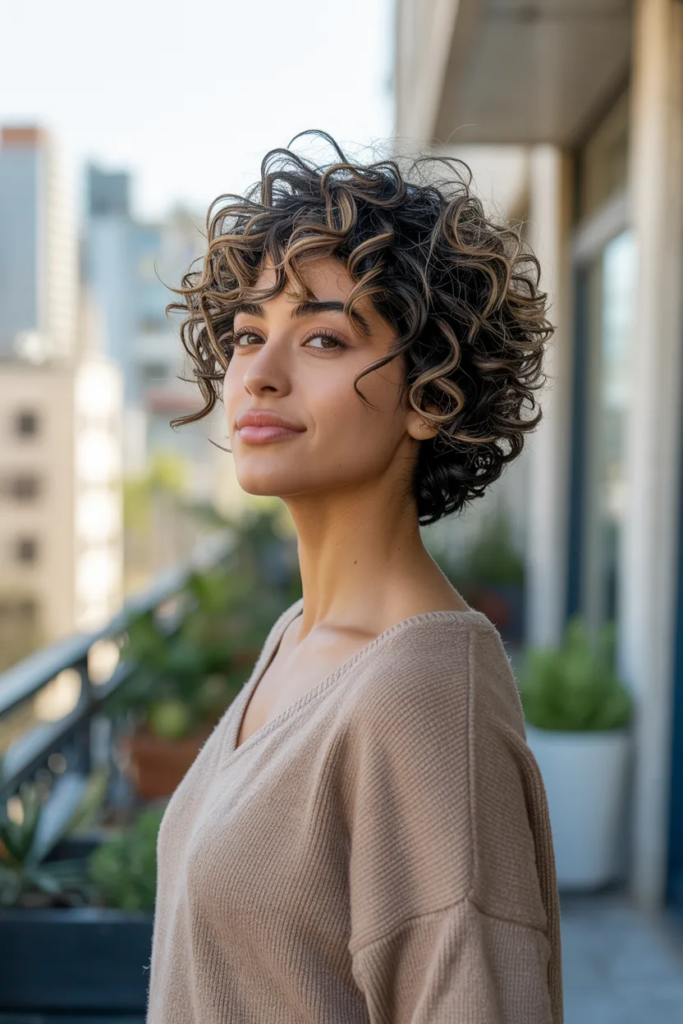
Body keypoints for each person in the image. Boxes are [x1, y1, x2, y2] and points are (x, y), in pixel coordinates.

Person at [145, 131, 563, 1023]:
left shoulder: (420, 693)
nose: (257, 373)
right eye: (250, 333)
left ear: (430, 395)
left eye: (325, 338)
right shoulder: (297, 633)